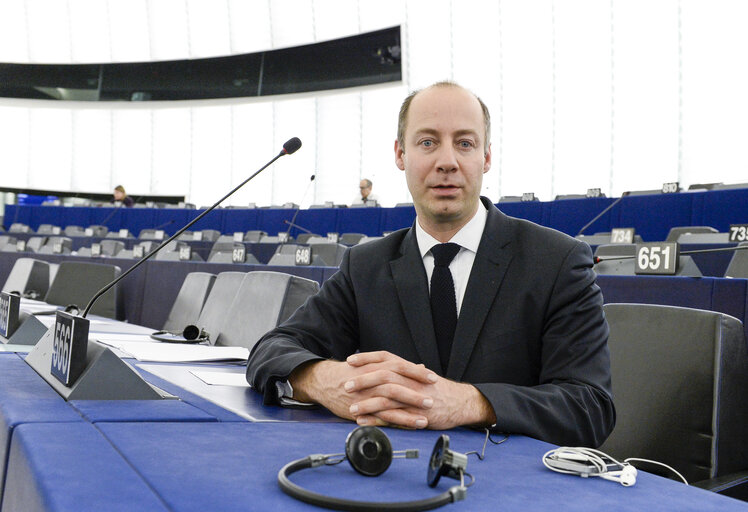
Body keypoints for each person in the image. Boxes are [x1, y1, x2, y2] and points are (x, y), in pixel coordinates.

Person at [246, 81, 615, 447]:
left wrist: (471, 403)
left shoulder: (556, 261)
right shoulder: (366, 266)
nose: (447, 162)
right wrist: (325, 380)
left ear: (486, 157)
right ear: (400, 155)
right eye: (427, 143)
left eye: (465, 144)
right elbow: (272, 350)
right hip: (388, 481)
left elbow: (589, 406)